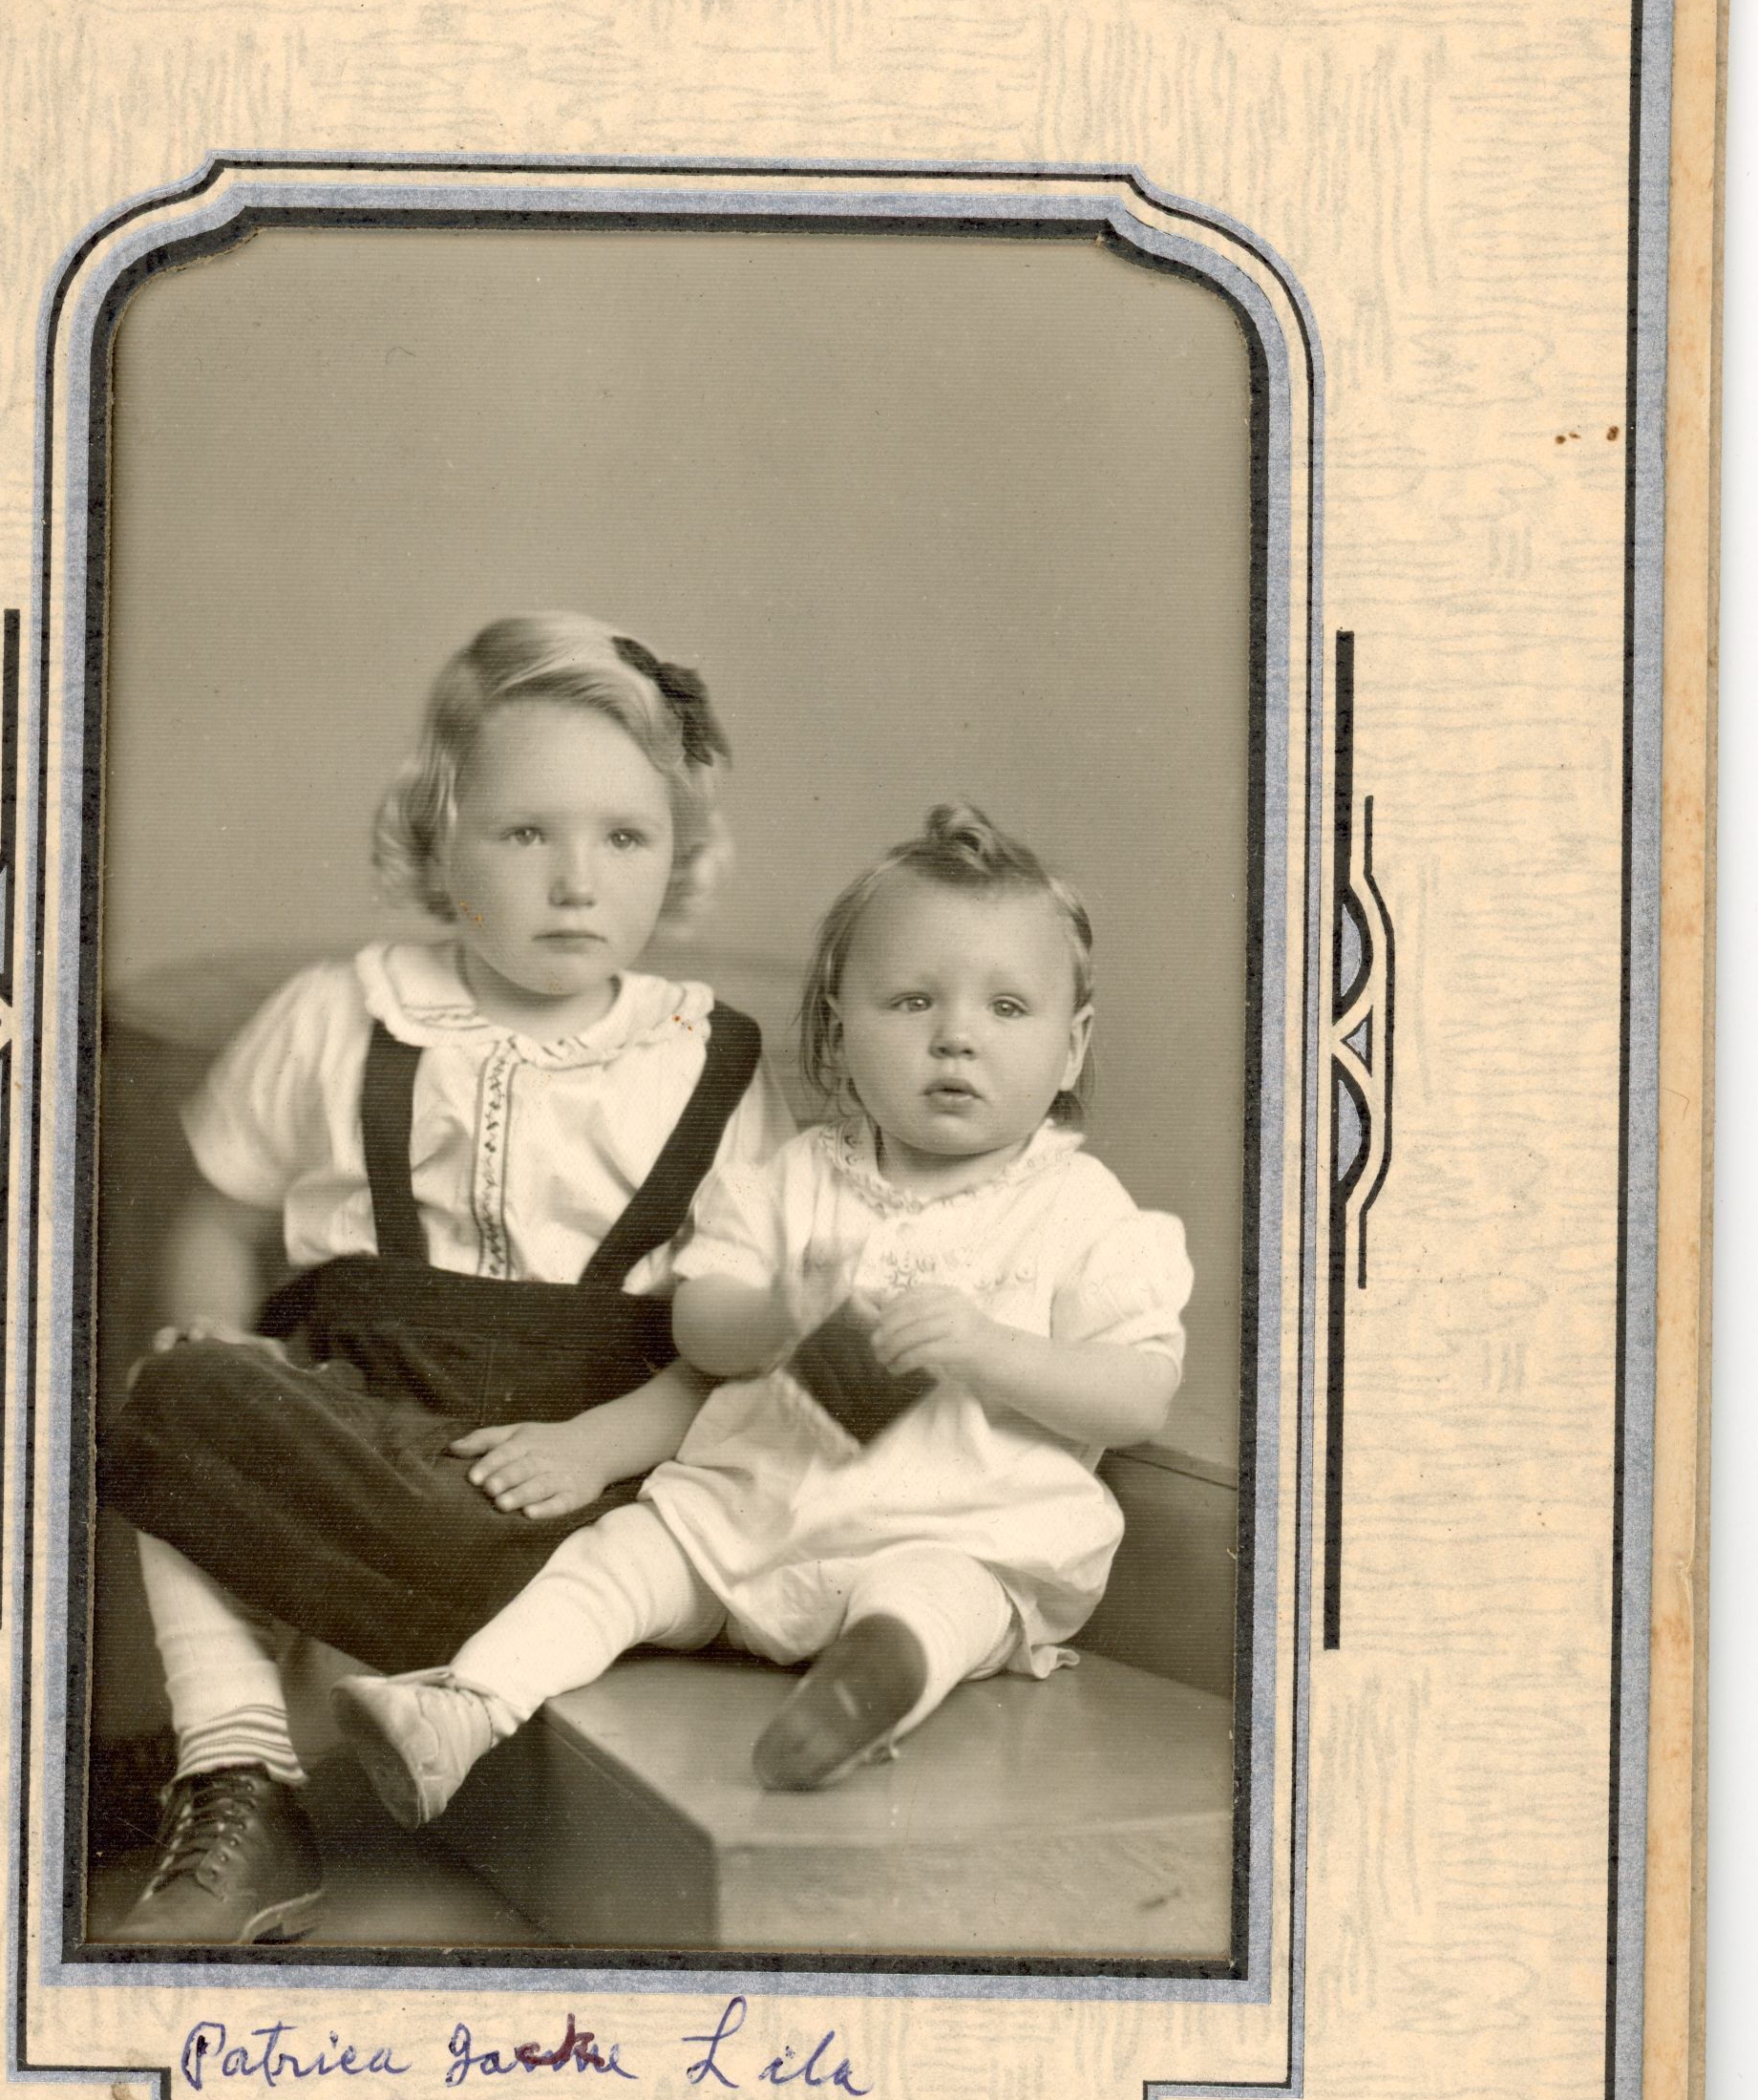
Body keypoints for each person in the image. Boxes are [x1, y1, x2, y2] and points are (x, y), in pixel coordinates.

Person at [96, 614, 794, 1941]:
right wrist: (210, 1328)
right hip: (365, 1451)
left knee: (701, 1508)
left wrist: (595, 1447)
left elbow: (736, 1340)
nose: (576, 882)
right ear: (436, 839)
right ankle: (241, 1773)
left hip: (581, 1513)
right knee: (177, 1397)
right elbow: (219, 1217)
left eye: (625, 838)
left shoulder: (708, 1061)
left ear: (681, 856)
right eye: (527, 835)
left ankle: (364, 1700)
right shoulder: (340, 1012)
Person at [329, 801, 1193, 1818]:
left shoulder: (1079, 1209)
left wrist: (989, 1346)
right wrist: (776, 1313)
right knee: (617, 1558)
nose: (956, 1038)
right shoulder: (793, 1181)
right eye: (912, 1001)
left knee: (936, 1601)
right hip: (745, 1518)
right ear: (838, 1021)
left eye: (1008, 1009)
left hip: (954, 1531)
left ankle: (860, 1696)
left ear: (1071, 1044)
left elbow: (1137, 1395)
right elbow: (699, 1332)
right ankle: (465, 1706)